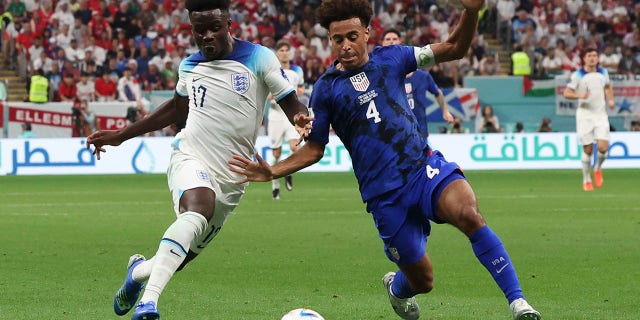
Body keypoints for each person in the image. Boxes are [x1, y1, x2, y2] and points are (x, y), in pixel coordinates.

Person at [228, 1, 540, 320]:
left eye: (353, 36)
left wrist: (471, 12)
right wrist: (272, 171)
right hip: (383, 195)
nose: (346, 45)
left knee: (469, 214)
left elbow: (455, 48)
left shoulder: (394, 58)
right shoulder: (326, 89)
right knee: (423, 279)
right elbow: (315, 148)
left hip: (422, 168)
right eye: (338, 40)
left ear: (367, 31)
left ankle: (519, 303)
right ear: (330, 41)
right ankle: (397, 289)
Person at [85, 0, 311, 319]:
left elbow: (290, 101)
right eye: (199, 30)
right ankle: (148, 304)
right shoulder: (189, 66)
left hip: (234, 176)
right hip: (191, 155)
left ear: (228, 24)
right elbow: (177, 111)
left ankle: (136, 273)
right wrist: (122, 135)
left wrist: (300, 118)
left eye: (214, 29)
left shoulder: (260, 57)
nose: (206, 37)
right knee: (198, 208)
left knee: (177, 258)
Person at [381, 29, 453, 138]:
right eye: (388, 39)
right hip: (396, 132)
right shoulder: (383, 75)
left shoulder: (423, 76)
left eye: (394, 39)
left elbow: (437, 93)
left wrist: (445, 111)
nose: (391, 42)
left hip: (420, 131)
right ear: (382, 43)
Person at [563, 48, 615, 192]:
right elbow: (566, 92)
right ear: (584, 59)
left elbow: (608, 87)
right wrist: (579, 96)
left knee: (603, 147)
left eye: (595, 55)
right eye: (589, 56)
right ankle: (586, 179)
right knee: (588, 149)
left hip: (600, 115)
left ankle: (597, 167)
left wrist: (610, 100)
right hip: (585, 115)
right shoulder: (578, 75)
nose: (592, 58)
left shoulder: (603, 73)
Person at [267, 39, 306, 199]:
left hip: (291, 114)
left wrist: (298, 92)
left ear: (290, 53)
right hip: (276, 114)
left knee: (295, 147)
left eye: (286, 50)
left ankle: (288, 172)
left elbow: (301, 87)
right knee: (276, 153)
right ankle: (275, 183)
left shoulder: (297, 70)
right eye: (281, 50)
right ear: (277, 53)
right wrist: (274, 95)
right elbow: (266, 94)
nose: (284, 52)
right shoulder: (271, 70)